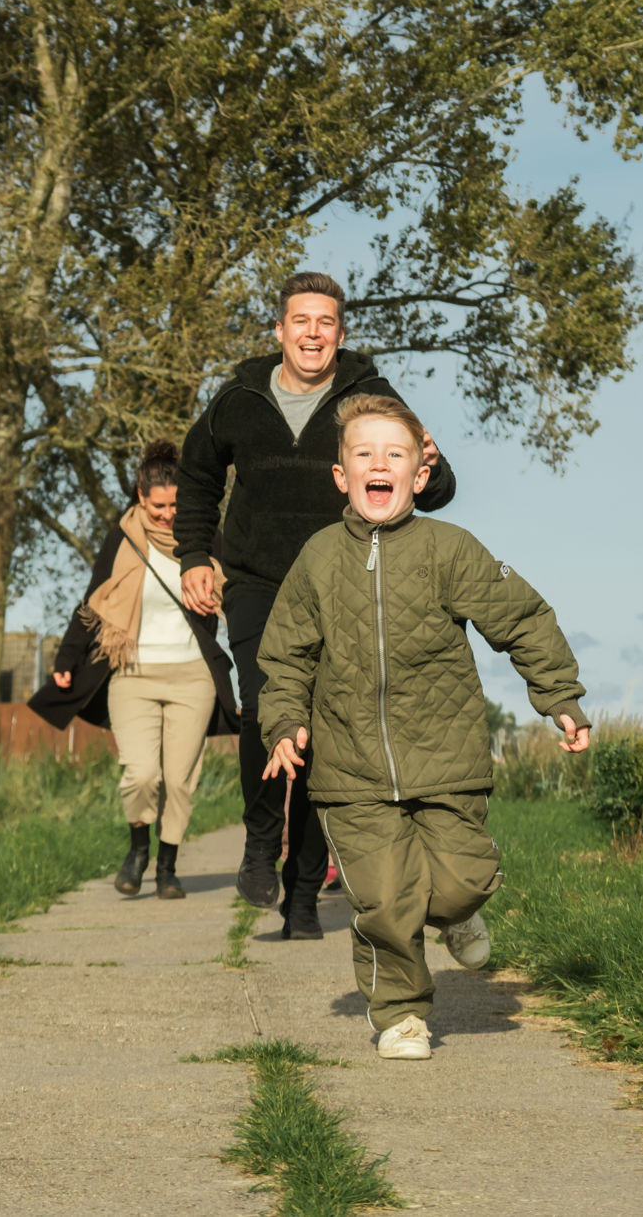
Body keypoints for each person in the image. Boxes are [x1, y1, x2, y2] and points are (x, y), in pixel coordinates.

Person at [258, 394, 590, 1059]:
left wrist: (558, 696)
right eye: (364, 454)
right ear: (342, 476)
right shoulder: (318, 558)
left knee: (462, 880)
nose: (379, 464)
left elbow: (521, 618)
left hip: (446, 755)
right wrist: (285, 723)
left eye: (395, 454)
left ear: (420, 474)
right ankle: (400, 1015)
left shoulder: (448, 549)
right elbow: (286, 656)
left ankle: (458, 914)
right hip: (350, 769)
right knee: (384, 900)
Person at [175, 271, 456, 940]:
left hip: (343, 587)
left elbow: (430, 485)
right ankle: (259, 840)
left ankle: (303, 893)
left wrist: (434, 464)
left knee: (322, 739)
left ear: (340, 332)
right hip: (256, 581)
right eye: (300, 320)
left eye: (325, 322)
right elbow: (197, 475)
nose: (312, 333)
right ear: (279, 330)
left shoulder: (369, 397)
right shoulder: (239, 399)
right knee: (264, 705)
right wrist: (193, 556)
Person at [28, 441, 238, 900]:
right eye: (158, 506)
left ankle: (167, 866)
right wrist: (65, 660)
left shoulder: (205, 538)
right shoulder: (121, 539)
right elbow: (93, 602)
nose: (167, 515)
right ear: (141, 498)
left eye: (175, 506)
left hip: (192, 676)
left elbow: (237, 594)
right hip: (132, 673)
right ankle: (138, 849)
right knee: (142, 774)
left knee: (179, 780)